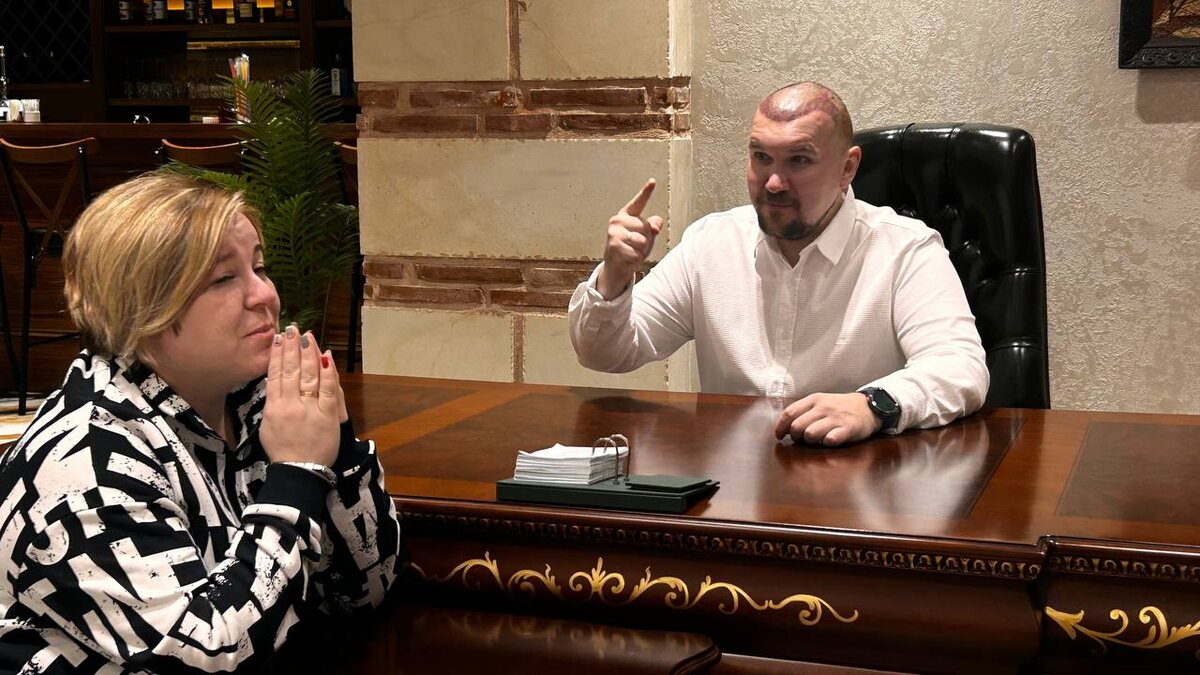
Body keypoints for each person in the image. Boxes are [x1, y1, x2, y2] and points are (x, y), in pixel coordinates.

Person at [0, 172, 403, 674]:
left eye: (259, 267)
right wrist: (296, 480)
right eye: (223, 279)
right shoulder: (84, 464)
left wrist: (336, 448)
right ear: (141, 306)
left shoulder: (256, 400)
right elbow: (203, 660)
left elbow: (366, 591)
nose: (264, 295)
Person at [569, 81, 988, 447]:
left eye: (798, 160)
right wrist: (615, 278)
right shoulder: (711, 243)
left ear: (847, 168)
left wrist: (873, 406)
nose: (773, 182)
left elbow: (960, 369)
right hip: (729, 488)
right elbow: (606, 355)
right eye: (761, 157)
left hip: (859, 483)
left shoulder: (904, 249)